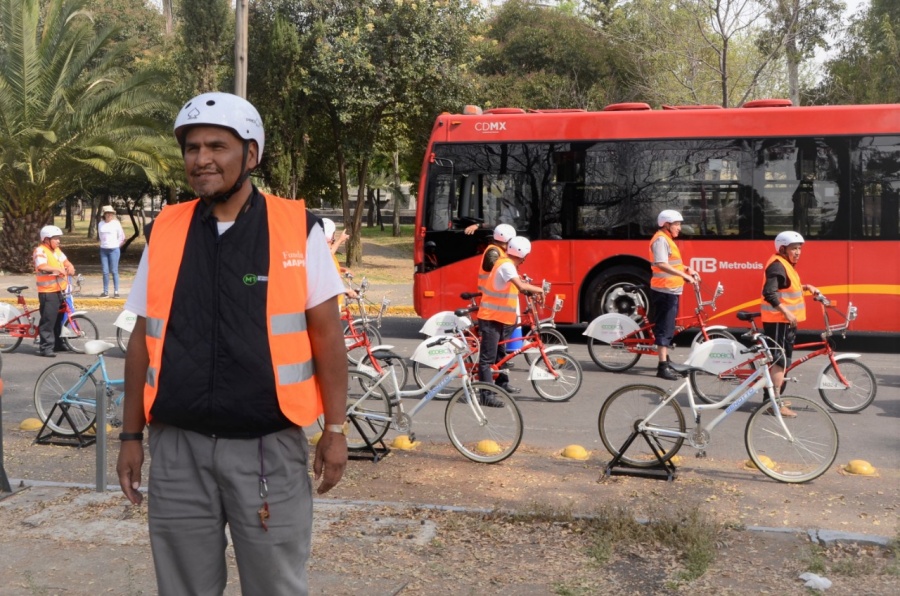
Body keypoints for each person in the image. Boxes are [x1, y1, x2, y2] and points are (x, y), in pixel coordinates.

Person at [115, 92, 348, 596]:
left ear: (252, 154)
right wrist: (130, 438)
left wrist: (335, 428)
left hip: (267, 448)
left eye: (218, 146)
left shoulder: (296, 228)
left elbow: (328, 335)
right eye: (192, 147)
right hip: (177, 449)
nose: (201, 159)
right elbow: (142, 340)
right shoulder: (166, 230)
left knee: (276, 587)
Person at [477, 235, 545, 403]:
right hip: (491, 318)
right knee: (487, 359)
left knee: (499, 355)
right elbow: (520, 287)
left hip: (499, 318)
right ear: (522, 254)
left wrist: (532, 291)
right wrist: (540, 290)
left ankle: (500, 385)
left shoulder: (507, 263)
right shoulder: (506, 265)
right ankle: (486, 396)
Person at [761, 231, 819, 418]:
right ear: (783, 249)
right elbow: (769, 293)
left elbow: (785, 287)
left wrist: (806, 287)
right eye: (794, 248)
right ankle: (774, 403)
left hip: (785, 322)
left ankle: (772, 398)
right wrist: (785, 311)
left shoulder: (785, 265)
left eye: (800, 248)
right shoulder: (777, 266)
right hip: (778, 321)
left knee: (782, 360)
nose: (798, 252)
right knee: (779, 361)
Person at [649, 209, 699, 380]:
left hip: (671, 290)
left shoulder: (668, 239)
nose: (679, 227)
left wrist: (687, 269)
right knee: (664, 328)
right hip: (664, 290)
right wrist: (683, 275)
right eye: (677, 224)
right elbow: (661, 264)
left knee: (669, 327)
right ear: (667, 225)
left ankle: (667, 361)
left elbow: (673, 264)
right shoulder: (661, 240)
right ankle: (662, 367)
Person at [33, 225, 76, 357]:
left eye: (59, 238)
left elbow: (66, 262)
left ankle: (57, 343)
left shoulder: (57, 251)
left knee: (58, 319)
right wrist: (56, 270)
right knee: (48, 319)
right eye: (56, 238)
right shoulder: (40, 251)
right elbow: (41, 266)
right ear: (46, 239)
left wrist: (70, 266)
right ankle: (45, 347)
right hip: (48, 291)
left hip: (59, 290)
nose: (58, 241)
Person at [322, 218, 357, 301]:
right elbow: (327, 285)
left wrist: (342, 269)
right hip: (330, 306)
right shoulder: (323, 254)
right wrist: (346, 291)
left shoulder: (326, 253)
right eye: (333, 234)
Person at [98, 205, 125, 298]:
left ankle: (116, 291)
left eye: (111, 213)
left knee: (114, 270)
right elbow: (100, 236)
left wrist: (116, 245)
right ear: (104, 214)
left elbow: (122, 237)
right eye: (107, 213)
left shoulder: (116, 223)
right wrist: (103, 244)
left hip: (114, 250)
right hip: (103, 250)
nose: (109, 215)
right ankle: (105, 292)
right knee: (105, 271)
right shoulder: (100, 224)